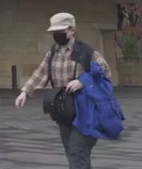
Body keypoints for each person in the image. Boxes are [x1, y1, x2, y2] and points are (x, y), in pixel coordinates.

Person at [13, 12, 112, 169]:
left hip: (88, 112)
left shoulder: (87, 52)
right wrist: (25, 92)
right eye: (53, 32)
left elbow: (105, 74)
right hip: (65, 111)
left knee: (77, 151)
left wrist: (82, 81)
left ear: (72, 30)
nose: (56, 35)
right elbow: (41, 73)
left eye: (60, 31)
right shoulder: (52, 53)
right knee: (73, 153)